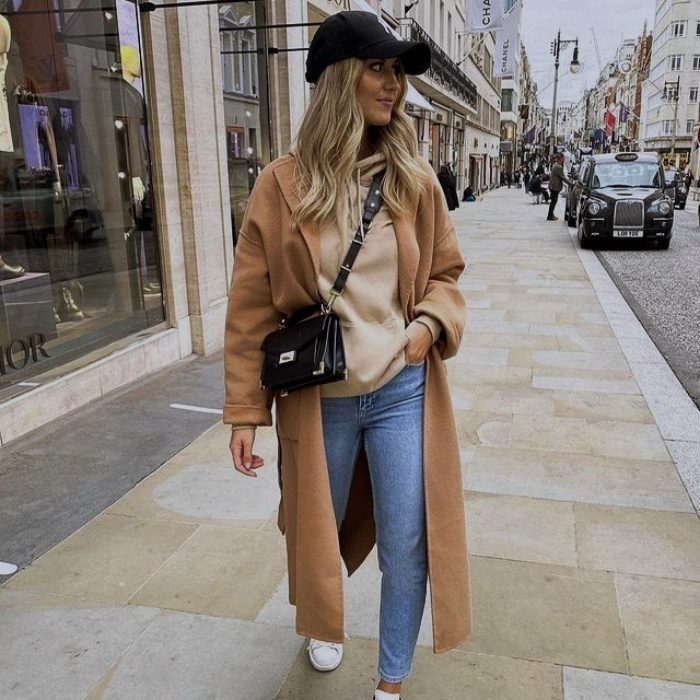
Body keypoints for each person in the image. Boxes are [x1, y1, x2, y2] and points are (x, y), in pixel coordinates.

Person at [223, 11, 470, 700]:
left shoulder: (414, 179)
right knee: (316, 536)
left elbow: (447, 275)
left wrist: (423, 330)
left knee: (407, 543)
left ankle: (390, 682)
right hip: (319, 396)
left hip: (401, 391)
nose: (393, 84)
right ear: (340, 78)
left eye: (397, 71)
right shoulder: (281, 186)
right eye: (378, 67)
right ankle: (323, 624)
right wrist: (246, 412)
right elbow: (249, 308)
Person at [546, 152, 570, 221]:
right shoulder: (559, 167)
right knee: (553, 201)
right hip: (555, 187)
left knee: (553, 201)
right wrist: (570, 184)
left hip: (552, 186)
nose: (564, 159)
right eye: (563, 158)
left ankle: (551, 214)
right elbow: (563, 177)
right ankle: (550, 215)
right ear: (561, 159)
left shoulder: (554, 165)